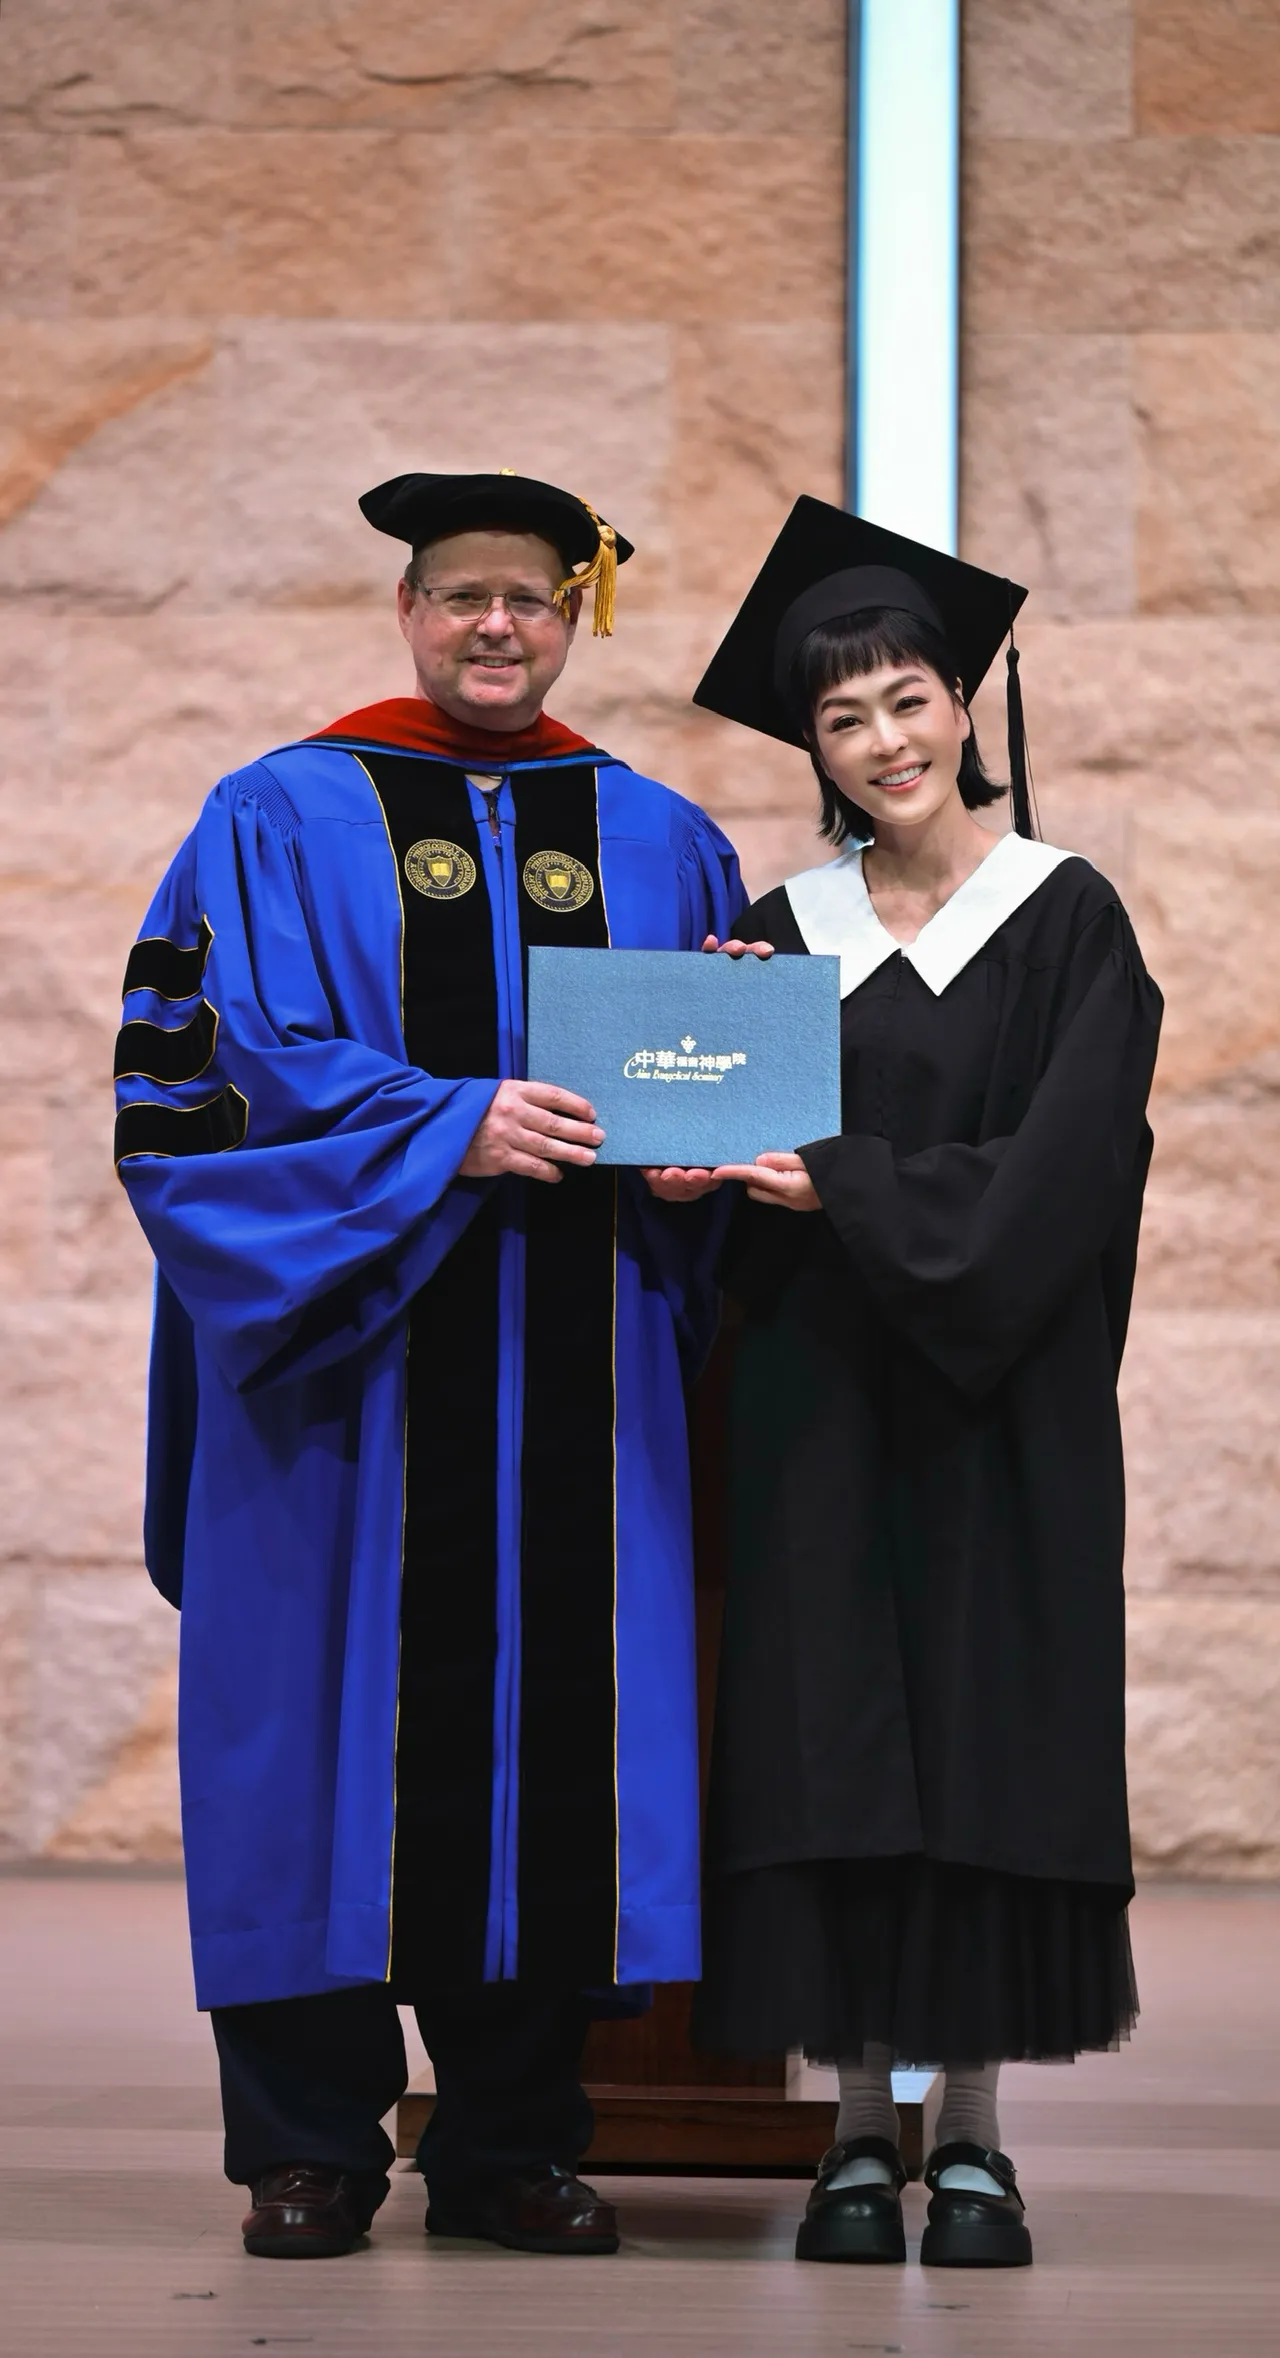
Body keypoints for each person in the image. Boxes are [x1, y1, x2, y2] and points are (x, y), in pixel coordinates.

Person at [113, 470, 742, 2259]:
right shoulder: (274, 811)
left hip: (583, 1375)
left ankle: (510, 2144)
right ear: (407, 610)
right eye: (461, 593)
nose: (495, 625)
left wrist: (704, 1145)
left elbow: (703, 1093)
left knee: (558, 1748)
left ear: (573, 616)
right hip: (349, 1383)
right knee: (310, 1741)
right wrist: (443, 1127)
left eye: (530, 598)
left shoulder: (663, 837)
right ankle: (307, 2145)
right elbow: (200, 1077)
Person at [684, 498, 1163, 2268]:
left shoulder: (1068, 917)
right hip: (817, 1399)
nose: (884, 741)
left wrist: (848, 1182)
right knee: (832, 1752)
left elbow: (1072, 1170)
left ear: (965, 702)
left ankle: (971, 2135)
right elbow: (718, 1163)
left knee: (983, 1744)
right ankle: (853, 2132)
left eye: (908, 700)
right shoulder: (779, 926)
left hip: (1001, 1403)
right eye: (843, 717)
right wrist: (691, 1123)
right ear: (811, 746)